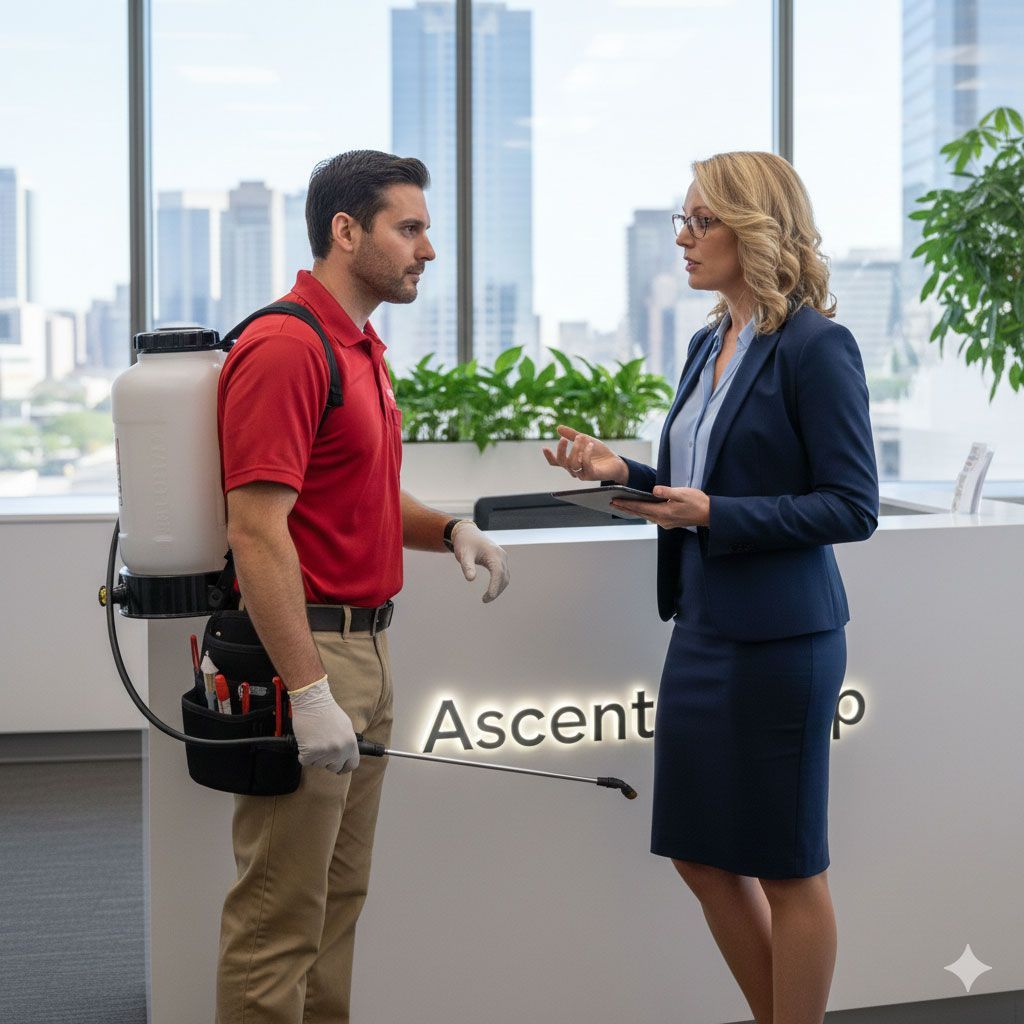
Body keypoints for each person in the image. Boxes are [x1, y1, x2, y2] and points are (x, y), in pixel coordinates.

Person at [544, 151, 878, 1024]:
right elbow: (701, 481)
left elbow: (851, 504)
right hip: (701, 630)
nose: (684, 240)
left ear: (753, 228)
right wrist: (625, 470)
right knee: (700, 855)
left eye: (702, 222)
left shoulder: (815, 346)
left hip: (782, 644)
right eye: (680, 222)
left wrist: (718, 515)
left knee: (787, 862)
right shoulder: (707, 342)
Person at [215, 149, 511, 1024]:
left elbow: (362, 493)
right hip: (307, 655)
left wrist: (450, 528)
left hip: (367, 650)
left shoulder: (359, 346)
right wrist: (309, 694)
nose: (426, 250)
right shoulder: (286, 347)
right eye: (409, 228)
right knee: (278, 918)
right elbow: (255, 532)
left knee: (336, 905)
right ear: (346, 232)